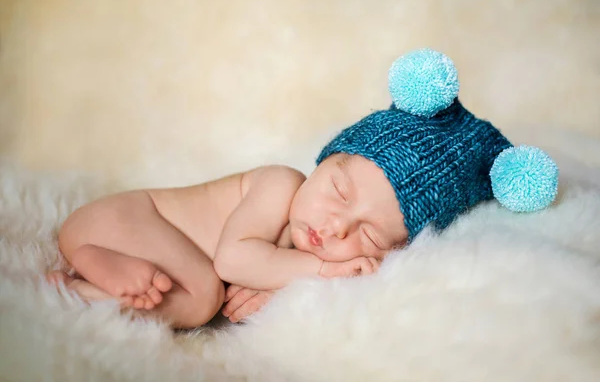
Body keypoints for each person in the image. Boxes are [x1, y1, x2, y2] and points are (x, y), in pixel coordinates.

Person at [46, 49, 559, 329]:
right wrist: (323, 269)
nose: (335, 228)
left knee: (196, 295)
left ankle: (96, 280)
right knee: (200, 292)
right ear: (324, 161)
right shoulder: (279, 184)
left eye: (371, 236)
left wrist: (278, 288)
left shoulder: (295, 240)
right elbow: (233, 261)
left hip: (140, 243)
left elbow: (259, 276)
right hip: (120, 221)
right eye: (339, 192)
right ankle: (87, 275)